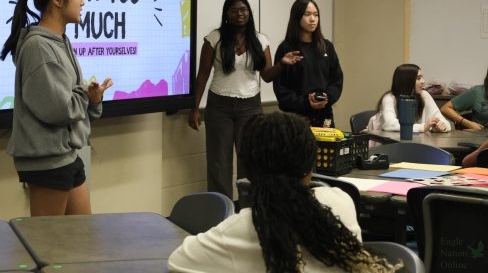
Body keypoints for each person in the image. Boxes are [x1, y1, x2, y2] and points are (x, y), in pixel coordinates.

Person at [168, 112, 401, 273]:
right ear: (309, 167)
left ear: (250, 169)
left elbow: (177, 261)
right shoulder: (340, 202)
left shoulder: (239, 229)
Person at [0, 0, 113, 216]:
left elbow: (71, 101)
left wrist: (92, 100)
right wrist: (84, 95)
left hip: (66, 155)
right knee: (47, 246)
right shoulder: (38, 47)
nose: (83, 1)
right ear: (58, 0)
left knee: (81, 239)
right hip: (47, 161)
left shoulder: (60, 41)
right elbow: (59, 108)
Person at [188, 0, 302, 201]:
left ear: (249, 13)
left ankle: (248, 210)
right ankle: (221, 213)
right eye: (234, 10)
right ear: (226, 15)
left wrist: (282, 64)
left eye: (244, 10)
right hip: (219, 105)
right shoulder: (214, 38)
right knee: (219, 163)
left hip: (250, 106)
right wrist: (194, 107)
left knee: (249, 160)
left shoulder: (260, 40)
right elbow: (203, 74)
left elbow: (267, 76)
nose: (240, 14)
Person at [273, 0, 343, 128]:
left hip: (325, 117)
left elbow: (337, 80)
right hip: (296, 119)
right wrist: (306, 103)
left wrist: (326, 98)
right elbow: (281, 89)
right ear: (297, 17)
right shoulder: (286, 48)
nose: (313, 19)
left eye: (316, 15)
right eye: (307, 14)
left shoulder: (326, 46)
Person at [367, 63, 450, 133]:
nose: (423, 81)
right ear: (407, 81)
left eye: (422, 77)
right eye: (418, 78)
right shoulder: (389, 98)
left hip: (414, 144)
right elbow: (389, 124)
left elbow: (445, 123)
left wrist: (441, 126)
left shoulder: (424, 95)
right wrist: (422, 127)